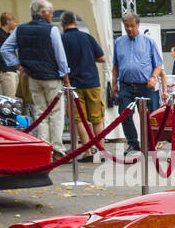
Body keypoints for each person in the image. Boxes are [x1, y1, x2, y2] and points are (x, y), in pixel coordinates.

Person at [0, 0, 70, 156]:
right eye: (50, 12)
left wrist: (18, 66)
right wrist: (66, 78)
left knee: (39, 113)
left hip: (32, 77)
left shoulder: (20, 29)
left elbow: (5, 49)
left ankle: (44, 147)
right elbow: (61, 57)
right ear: (43, 13)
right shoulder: (51, 30)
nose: (51, 15)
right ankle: (57, 148)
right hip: (51, 77)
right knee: (56, 113)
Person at [111, 13, 164, 154]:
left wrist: (153, 77)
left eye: (132, 26)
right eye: (126, 26)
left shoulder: (149, 42)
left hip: (145, 86)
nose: (129, 29)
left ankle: (150, 143)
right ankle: (133, 143)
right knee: (124, 114)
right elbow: (115, 65)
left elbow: (158, 65)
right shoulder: (118, 42)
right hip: (126, 85)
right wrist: (113, 83)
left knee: (149, 116)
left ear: (138, 25)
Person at [58, 11, 105, 151]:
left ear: (62, 23)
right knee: (97, 119)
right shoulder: (87, 37)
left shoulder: (61, 40)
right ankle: (100, 151)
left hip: (73, 85)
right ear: (76, 22)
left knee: (80, 119)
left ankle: (87, 151)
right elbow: (102, 58)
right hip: (92, 82)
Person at [0, 13, 19, 96]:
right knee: (11, 97)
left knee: (15, 97)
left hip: (12, 70)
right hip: (5, 70)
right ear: (8, 21)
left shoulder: (9, 35)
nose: (15, 23)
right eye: (13, 20)